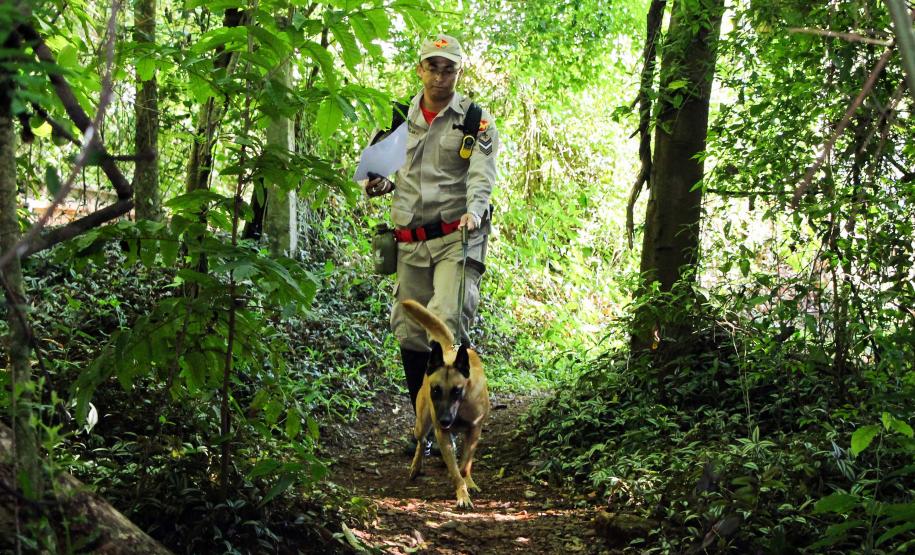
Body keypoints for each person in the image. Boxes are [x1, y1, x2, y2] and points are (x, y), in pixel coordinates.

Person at [365, 34, 498, 451]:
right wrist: (378, 183)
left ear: (459, 72)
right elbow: (379, 171)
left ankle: (451, 430)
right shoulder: (396, 117)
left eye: (449, 68)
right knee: (410, 332)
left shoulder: (475, 119)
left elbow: (482, 175)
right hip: (409, 242)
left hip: (456, 238)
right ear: (420, 69)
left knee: (444, 323)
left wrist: (475, 209)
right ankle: (423, 428)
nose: (440, 76)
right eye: (433, 66)